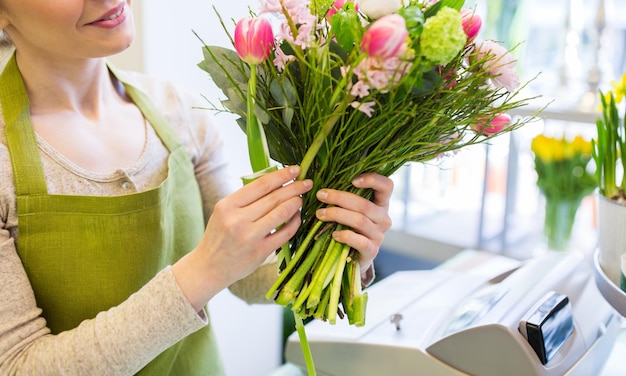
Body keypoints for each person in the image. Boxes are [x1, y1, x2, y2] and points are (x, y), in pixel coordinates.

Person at [0, 1, 394, 375]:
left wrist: (340, 250)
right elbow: (19, 367)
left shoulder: (177, 110)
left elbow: (249, 277)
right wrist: (204, 269)